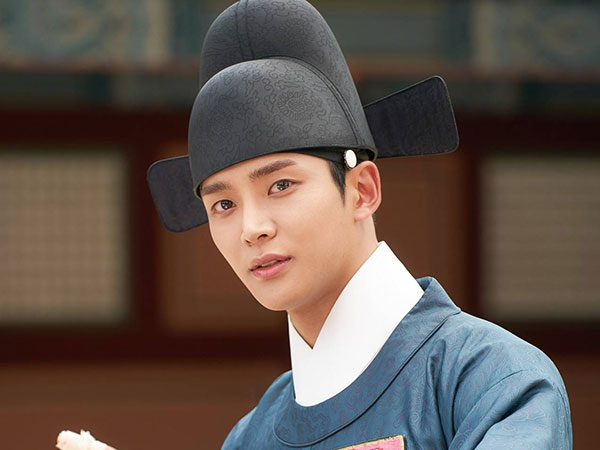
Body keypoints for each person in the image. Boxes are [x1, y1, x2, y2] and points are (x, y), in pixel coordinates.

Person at [147, 0, 572, 448]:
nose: (252, 228)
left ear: (362, 190)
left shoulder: (492, 380)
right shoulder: (250, 437)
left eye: (281, 185)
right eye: (223, 205)